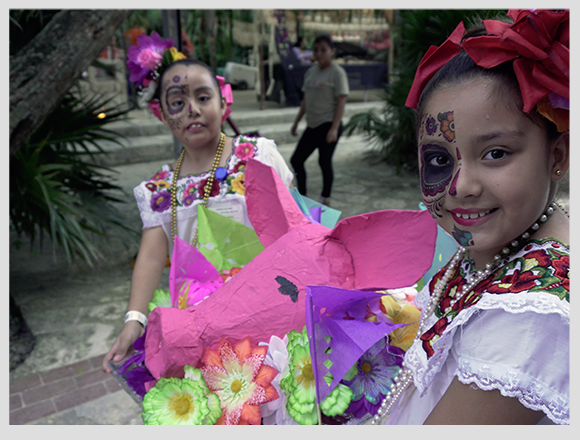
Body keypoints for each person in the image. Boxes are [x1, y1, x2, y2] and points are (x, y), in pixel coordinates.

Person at [369, 9, 569, 425]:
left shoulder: (534, 313)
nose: (461, 186)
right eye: (439, 159)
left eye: (495, 153)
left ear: (557, 156)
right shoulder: (493, 249)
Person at [102, 32, 294, 373]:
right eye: (177, 102)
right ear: (161, 114)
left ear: (223, 101)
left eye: (203, 97)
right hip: (201, 320)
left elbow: (293, 222)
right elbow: (150, 254)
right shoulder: (159, 190)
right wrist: (135, 318)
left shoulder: (257, 156)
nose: (192, 109)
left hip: (269, 303)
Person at [290, 34, 349, 207]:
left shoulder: (337, 73)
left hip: (329, 125)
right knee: (296, 160)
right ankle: (302, 195)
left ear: (333, 51)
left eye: (324, 50)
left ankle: (325, 198)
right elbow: (305, 101)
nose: (320, 53)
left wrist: (334, 128)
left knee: (324, 161)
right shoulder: (311, 72)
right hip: (312, 125)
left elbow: (342, 100)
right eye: (316, 50)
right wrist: (296, 122)